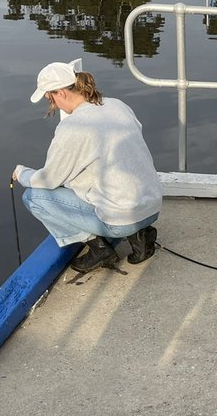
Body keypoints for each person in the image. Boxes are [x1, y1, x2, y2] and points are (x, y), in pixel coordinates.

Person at [14, 59, 163, 274]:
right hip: (151, 208)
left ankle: (99, 248)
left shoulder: (73, 127)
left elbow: (50, 179)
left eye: (50, 98)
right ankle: (140, 236)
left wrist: (22, 174)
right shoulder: (117, 105)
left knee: (32, 197)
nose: (52, 105)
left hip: (121, 220)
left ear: (61, 93)